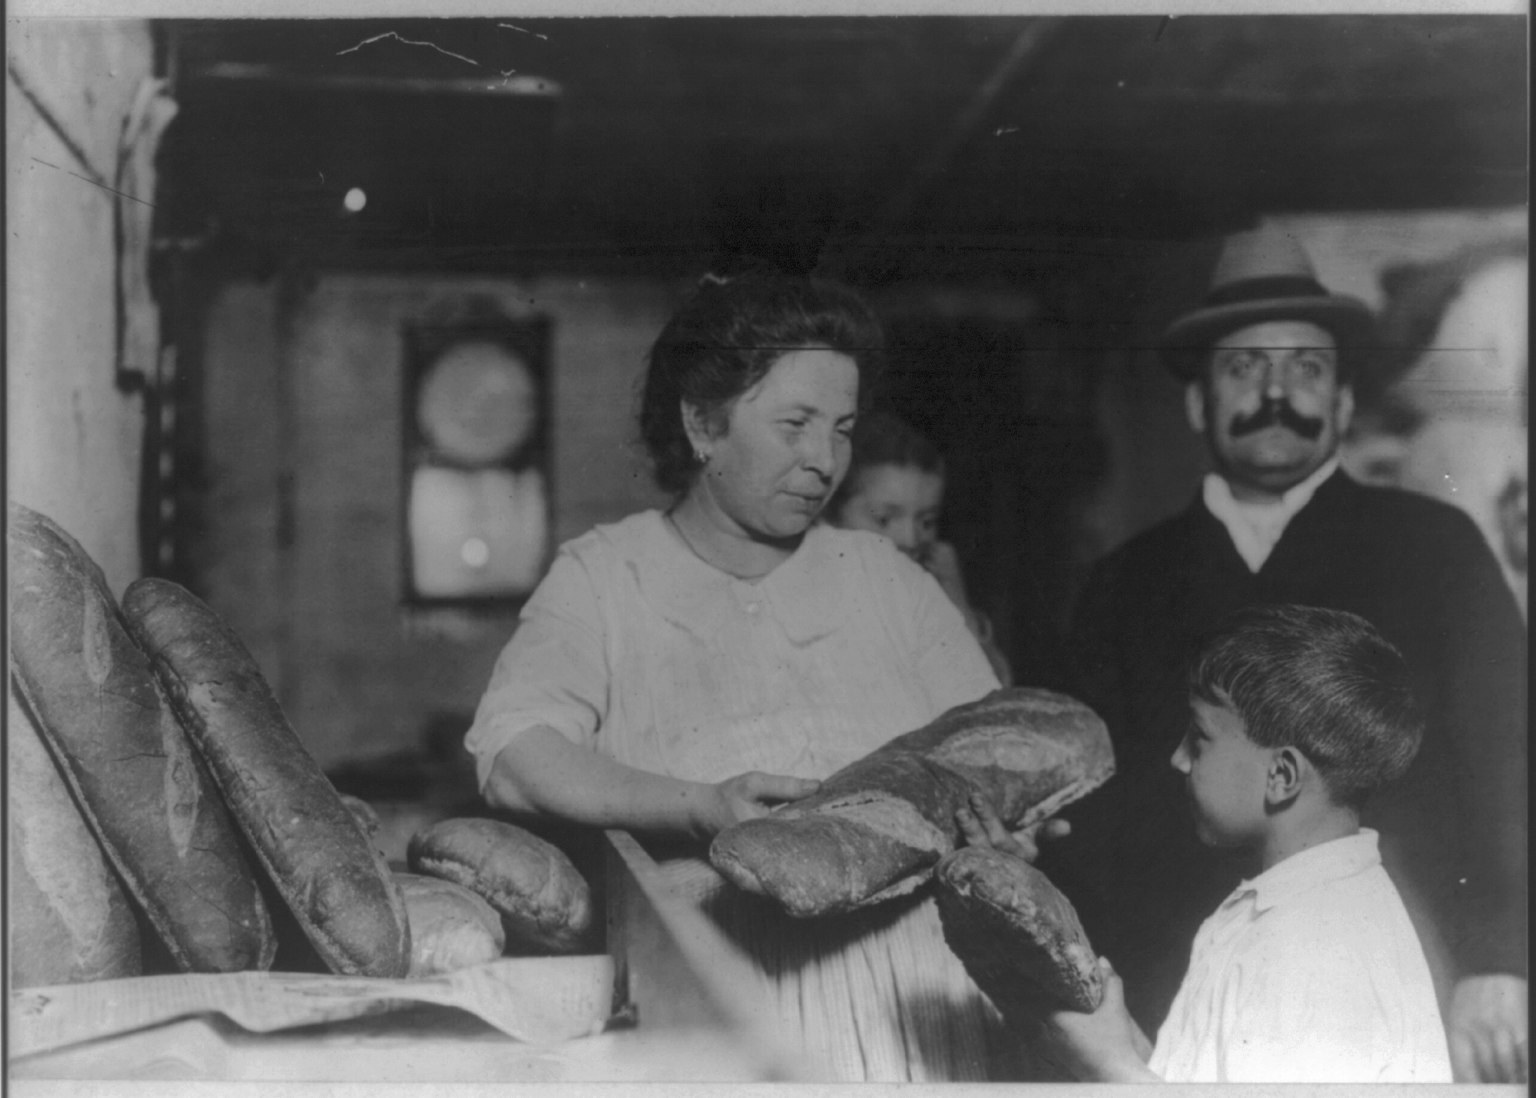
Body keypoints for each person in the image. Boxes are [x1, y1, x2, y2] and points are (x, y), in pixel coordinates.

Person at [463, 270, 1008, 1081]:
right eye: (795, 424)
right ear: (702, 423)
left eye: (844, 428)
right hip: (713, 1009)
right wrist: (698, 807)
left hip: (921, 1010)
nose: (825, 461)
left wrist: (1003, 826)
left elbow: (985, 747)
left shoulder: (887, 578)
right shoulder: (607, 578)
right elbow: (513, 755)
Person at [1038, 227, 1527, 1082]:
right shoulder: (1125, 579)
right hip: (1172, 987)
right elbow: (1089, 798)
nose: (1276, 393)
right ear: (1197, 404)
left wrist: (1502, 956)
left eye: (1305, 369)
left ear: (1342, 403)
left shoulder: (1434, 546)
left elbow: (1512, 761)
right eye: (1244, 369)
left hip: (1405, 975)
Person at [1011, 605, 1452, 1082]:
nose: (1179, 759)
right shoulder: (1307, 906)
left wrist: (1107, 1065)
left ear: (1281, 777)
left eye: (1199, 739)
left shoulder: (1311, 951)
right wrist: (1127, 1046)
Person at [824, 409, 1013, 684]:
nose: (910, 540)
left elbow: (993, 696)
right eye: (884, 519)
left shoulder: (926, 594)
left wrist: (958, 606)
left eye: (926, 522)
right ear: (830, 513)